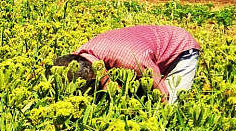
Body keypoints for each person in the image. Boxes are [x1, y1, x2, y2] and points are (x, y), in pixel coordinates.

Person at [53, 25, 201, 104]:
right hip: (141, 43)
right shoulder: (77, 57)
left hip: (181, 47)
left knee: (172, 101)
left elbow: (159, 90)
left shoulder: (132, 60)